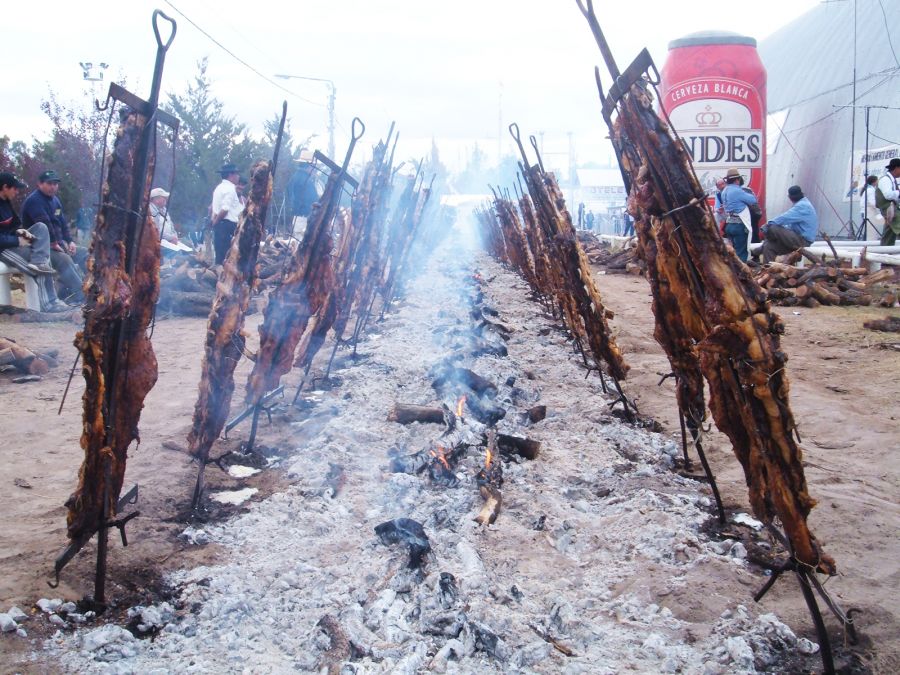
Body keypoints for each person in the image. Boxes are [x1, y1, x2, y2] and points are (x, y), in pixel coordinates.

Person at [0, 172, 69, 311]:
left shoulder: (6, 203)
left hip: (12, 244)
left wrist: (21, 232)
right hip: (3, 250)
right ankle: (49, 304)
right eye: (15, 188)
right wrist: (17, 241)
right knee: (38, 259)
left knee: (41, 228)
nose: (17, 191)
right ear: (5, 187)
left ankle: (51, 297)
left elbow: (15, 225)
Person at [21, 170, 86, 303]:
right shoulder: (34, 201)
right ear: (40, 184)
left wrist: (70, 241)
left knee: (85, 254)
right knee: (65, 260)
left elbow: (62, 222)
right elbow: (45, 225)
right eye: (49, 183)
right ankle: (82, 296)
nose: (53, 187)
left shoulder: (55, 200)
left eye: (55, 184)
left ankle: (82, 289)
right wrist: (57, 244)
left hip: (58, 244)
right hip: (38, 248)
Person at [760, 185, 818, 263]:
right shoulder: (802, 204)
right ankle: (767, 271)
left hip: (803, 241)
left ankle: (759, 250)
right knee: (769, 247)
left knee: (773, 227)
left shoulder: (803, 206)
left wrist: (768, 224)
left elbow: (784, 218)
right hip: (797, 239)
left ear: (790, 197)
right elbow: (788, 224)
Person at [720, 168, 757, 261]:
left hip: (729, 225)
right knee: (741, 254)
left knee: (733, 254)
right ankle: (741, 274)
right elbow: (753, 200)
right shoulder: (737, 190)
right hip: (739, 225)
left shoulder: (724, 191)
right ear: (737, 180)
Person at [210, 163, 243, 265]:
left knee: (220, 256)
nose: (238, 176)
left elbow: (215, 208)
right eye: (236, 174)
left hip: (221, 225)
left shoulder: (219, 188)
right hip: (227, 226)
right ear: (230, 175)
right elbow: (225, 209)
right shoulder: (230, 189)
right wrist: (215, 222)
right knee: (227, 257)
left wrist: (214, 221)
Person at [287, 150, 321, 240]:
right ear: (309, 166)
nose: (315, 170)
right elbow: (314, 201)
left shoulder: (294, 178)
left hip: (296, 217)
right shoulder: (307, 181)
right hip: (305, 219)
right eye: (314, 167)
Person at [876, 158, 900, 246]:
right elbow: (888, 195)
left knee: (888, 235)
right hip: (889, 210)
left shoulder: (892, 180)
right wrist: (899, 192)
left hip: (892, 210)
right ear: (896, 168)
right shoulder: (885, 180)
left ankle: (884, 252)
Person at [859, 175, 884, 241]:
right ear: (874, 182)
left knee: (868, 230)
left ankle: (865, 245)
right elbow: (873, 203)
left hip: (866, 212)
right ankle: (869, 246)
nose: (878, 182)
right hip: (869, 212)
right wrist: (881, 205)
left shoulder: (868, 189)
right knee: (871, 231)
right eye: (877, 180)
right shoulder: (870, 190)